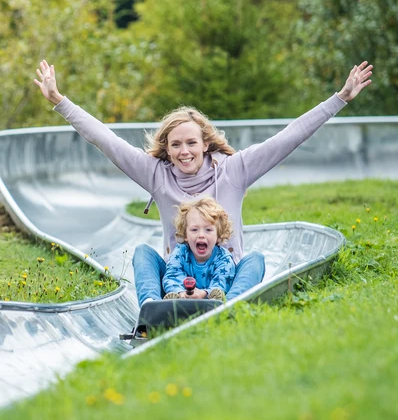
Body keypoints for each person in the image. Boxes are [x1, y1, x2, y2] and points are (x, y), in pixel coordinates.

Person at [33, 59, 373, 306]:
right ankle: (155, 309)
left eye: (191, 143)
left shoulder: (235, 170)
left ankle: (229, 305)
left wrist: (339, 99)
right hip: (179, 278)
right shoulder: (156, 174)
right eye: (176, 144)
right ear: (166, 148)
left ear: (205, 143)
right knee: (142, 254)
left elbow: (288, 138)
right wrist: (59, 101)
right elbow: (105, 140)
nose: (184, 152)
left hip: (226, 274)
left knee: (254, 260)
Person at [162, 196, 236, 301]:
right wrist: (181, 292)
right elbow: (172, 274)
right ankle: (169, 301)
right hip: (183, 297)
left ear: (218, 236)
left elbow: (223, 279)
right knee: (143, 251)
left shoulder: (223, 257)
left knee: (254, 259)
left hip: (209, 299)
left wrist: (203, 294)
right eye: (194, 229)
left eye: (208, 230)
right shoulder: (180, 252)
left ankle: (217, 302)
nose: (201, 235)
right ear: (186, 235)